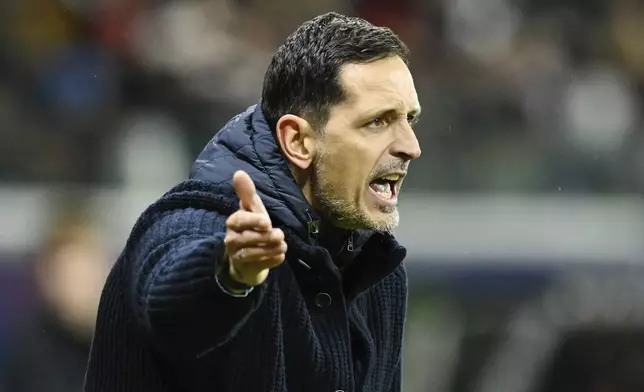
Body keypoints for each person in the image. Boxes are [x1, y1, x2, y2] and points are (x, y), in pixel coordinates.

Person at [84, 11, 422, 392]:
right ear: (298, 141)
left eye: (410, 119)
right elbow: (171, 310)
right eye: (378, 121)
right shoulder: (197, 222)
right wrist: (231, 275)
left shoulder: (378, 271)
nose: (411, 146)